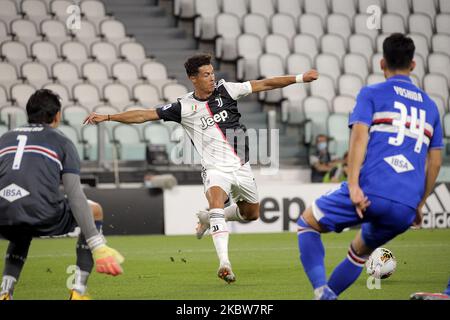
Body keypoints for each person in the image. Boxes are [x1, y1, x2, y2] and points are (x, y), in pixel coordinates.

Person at [84, 54, 319, 283]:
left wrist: (300, 78)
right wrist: (107, 117)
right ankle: (224, 263)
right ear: (193, 78)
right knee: (216, 202)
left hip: (241, 167)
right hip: (215, 168)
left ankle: (208, 219)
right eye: (206, 74)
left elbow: (265, 83)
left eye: (212, 73)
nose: (212, 78)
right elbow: (144, 115)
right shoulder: (183, 107)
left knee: (251, 214)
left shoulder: (227, 91)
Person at [296, 33, 443, 299]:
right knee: (360, 251)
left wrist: (352, 185)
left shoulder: (372, 93)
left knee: (307, 223)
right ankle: (328, 295)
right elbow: (435, 161)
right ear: (413, 65)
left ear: (381, 63)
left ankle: (321, 291)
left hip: (371, 190)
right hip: (406, 205)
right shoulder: (431, 107)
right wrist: (419, 204)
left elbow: (359, 137)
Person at [0, 89, 124, 300]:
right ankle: (78, 292)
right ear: (57, 116)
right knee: (93, 209)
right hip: (42, 213)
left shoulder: (5, 138)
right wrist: (98, 244)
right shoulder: (62, 141)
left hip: (3, 216)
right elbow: (74, 194)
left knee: (20, 228)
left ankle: (5, 292)